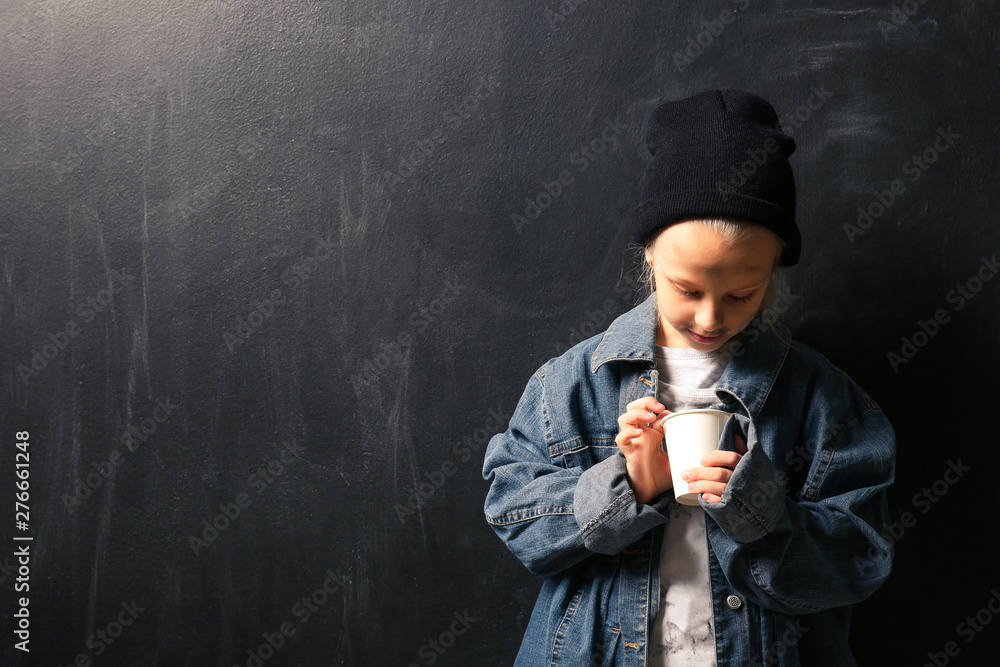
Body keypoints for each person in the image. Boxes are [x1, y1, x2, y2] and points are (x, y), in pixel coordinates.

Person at [482, 89, 895, 666]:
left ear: (773, 270)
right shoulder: (571, 384)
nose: (710, 317)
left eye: (741, 294)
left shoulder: (821, 397)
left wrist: (760, 511)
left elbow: (861, 560)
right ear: (650, 254)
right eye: (687, 289)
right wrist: (627, 486)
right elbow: (512, 513)